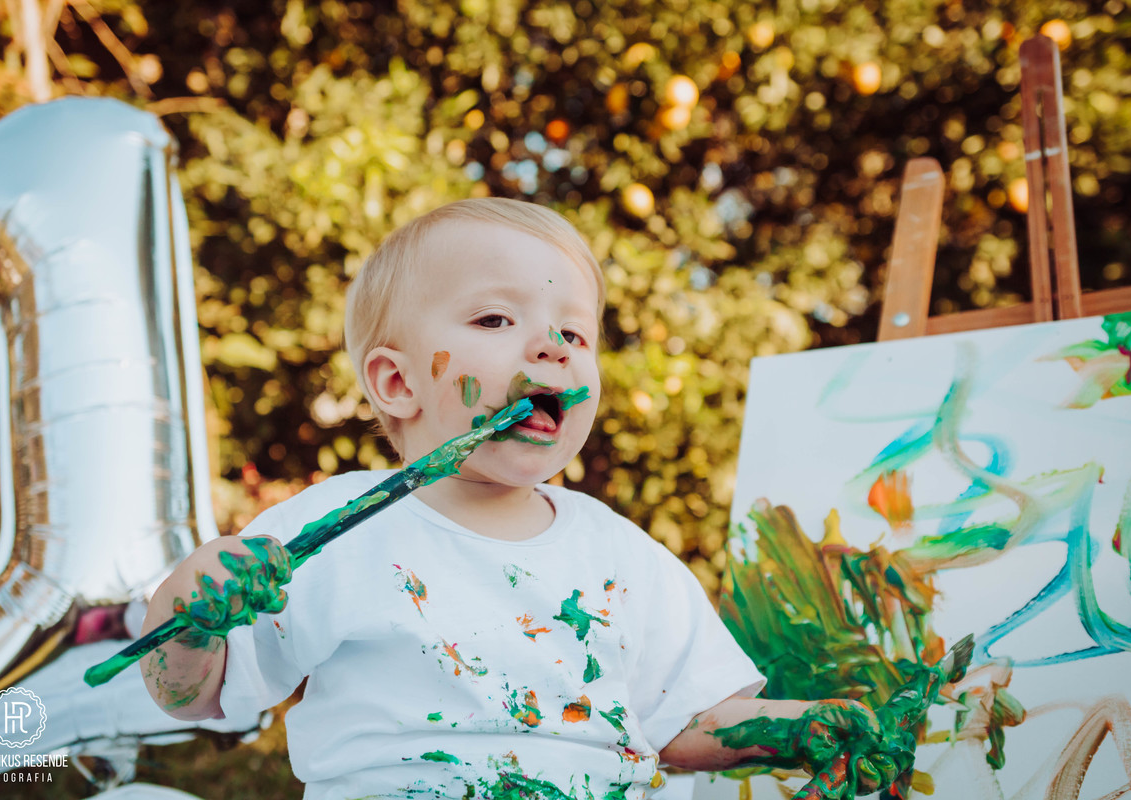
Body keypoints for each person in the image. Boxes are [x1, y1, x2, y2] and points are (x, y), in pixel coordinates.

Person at [140, 198, 905, 799]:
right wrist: (190, 609)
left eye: (575, 332)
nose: (551, 346)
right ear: (397, 382)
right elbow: (192, 694)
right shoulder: (335, 530)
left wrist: (806, 726)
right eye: (496, 319)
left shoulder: (619, 555)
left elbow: (687, 722)